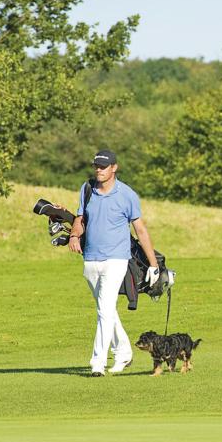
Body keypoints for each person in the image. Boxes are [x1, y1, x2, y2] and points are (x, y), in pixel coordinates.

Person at [68, 150, 159, 377]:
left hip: (117, 259)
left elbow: (140, 229)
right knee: (105, 310)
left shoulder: (127, 194)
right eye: (96, 166)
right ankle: (124, 352)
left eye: (103, 166)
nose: (99, 169)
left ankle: (97, 363)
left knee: (105, 310)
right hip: (90, 258)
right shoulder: (87, 188)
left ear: (114, 168)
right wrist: (74, 235)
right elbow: (80, 218)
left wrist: (153, 264)